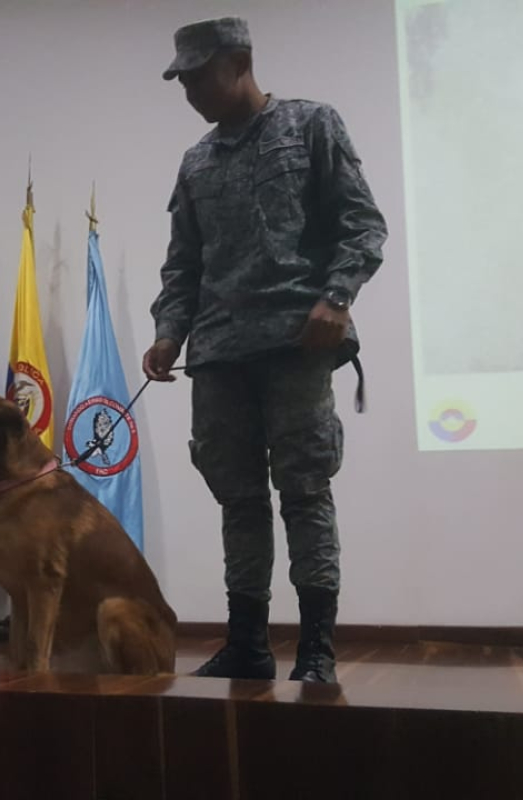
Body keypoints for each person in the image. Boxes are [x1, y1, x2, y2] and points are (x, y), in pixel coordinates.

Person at [144, 18, 387, 682]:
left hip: (295, 344)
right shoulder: (196, 162)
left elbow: (362, 223)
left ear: (242, 61)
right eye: (183, 79)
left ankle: (315, 650)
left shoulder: (311, 126)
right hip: (220, 355)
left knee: (305, 491)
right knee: (238, 500)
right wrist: (169, 332)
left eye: (199, 75)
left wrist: (337, 297)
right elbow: (182, 266)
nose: (189, 89)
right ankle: (247, 643)